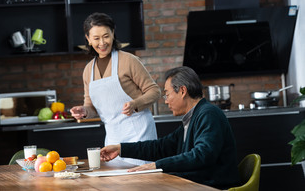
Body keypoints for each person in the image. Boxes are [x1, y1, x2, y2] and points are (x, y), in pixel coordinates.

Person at [100, 66, 240, 189]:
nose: (166, 101)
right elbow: (162, 147)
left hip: (213, 187)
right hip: (198, 185)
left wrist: (156, 165)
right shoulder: (193, 117)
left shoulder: (209, 114)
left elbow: (201, 156)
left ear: (182, 91)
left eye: (167, 94)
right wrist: (120, 149)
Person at [70, 12, 160, 165]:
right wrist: (84, 111)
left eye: (106, 36)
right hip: (112, 139)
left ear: (113, 34)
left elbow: (154, 91)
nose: (102, 43)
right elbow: (90, 106)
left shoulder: (128, 60)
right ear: (88, 39)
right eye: (96, 38)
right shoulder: (88, 70)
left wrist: (135, 104)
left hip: (139, 135)